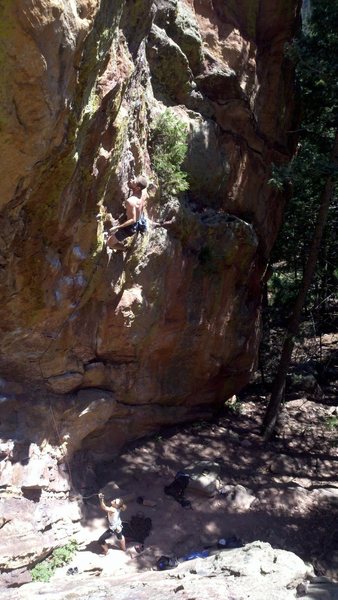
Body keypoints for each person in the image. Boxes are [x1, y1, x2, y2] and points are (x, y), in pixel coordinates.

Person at [106, 175, 148, 249]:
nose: (131, 180)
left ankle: (124, 248)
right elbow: (146, 197)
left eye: (134, 181)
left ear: (138, 188)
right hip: (138, 218)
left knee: (109, 243)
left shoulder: (131, 201)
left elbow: (133, 220)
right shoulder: (143, 192)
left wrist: (117, 227)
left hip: (129, 228)